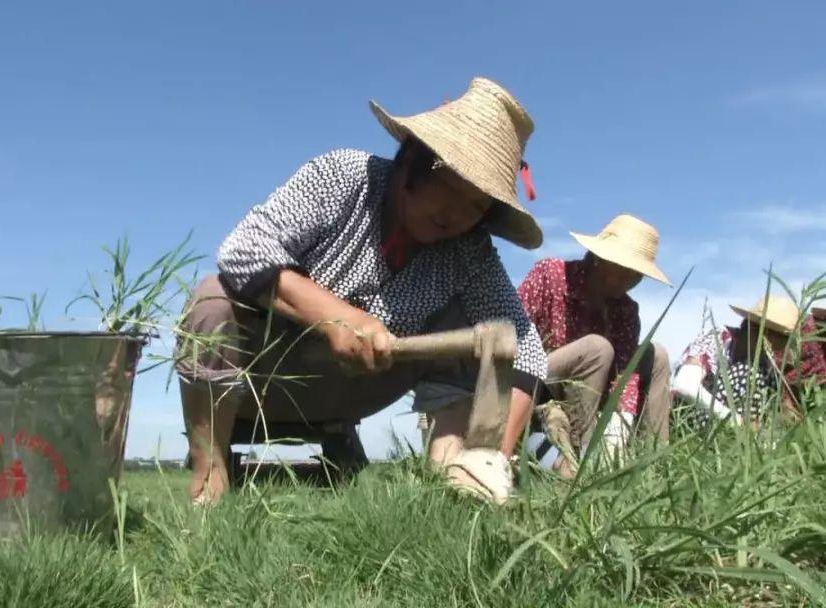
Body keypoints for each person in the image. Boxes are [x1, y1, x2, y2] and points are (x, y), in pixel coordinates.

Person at [174, 77, 548, 505]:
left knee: (475, 333)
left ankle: (453, 476)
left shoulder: (469, 253)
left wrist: (497, 459)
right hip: (266, 380)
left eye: (478, 206)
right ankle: (210, 475)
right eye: (451, 188)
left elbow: (526, 350)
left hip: (355, 391)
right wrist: (339, 318)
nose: (458, 215)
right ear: (413, 162)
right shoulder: (345, 176)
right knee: (211, 302)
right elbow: (244, 249)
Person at [517, 214, 672, 474]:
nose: (629, 280)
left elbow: (626, 374)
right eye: (623, 269)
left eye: (637, 274)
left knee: (658, 355)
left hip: (595, 395)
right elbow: (515, 335)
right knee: (597, 348)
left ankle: (652, 464)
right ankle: (585, 451)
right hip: (538, 380)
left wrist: (617, 431)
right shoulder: (551, 275)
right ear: (600, 259)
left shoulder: (626, 310)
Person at [672, 295, 802, 427]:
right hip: (692, 417)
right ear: (756, 330)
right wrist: (739, 424)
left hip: (737, 425)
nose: (775, 350)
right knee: (750, 371)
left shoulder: (766, 364)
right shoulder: (718, 339)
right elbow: (685, 385)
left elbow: (786, 408)